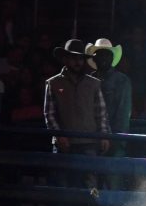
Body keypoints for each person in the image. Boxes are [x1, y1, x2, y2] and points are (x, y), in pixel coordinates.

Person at [44, 38, 110, 187]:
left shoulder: (93, 83)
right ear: (65, 59)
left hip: (89, 143)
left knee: (89, 186)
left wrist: (104, 135)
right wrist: (59, 136)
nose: (77, 62)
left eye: (80, 58)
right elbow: (50, 114)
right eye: (73, 58)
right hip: (64, 145)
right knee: (63, 185)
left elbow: (101, 113)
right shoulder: (53, 83)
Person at [86, 38, 132, 160]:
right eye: (100, 55)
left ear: (112, 58)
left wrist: (115, 141)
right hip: (90, 142)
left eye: (107, 55)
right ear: (94, 58)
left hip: (114, 140)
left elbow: (122, 115)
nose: (103, 58)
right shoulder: (88, 80)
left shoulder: (122, 80)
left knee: (112, 176)